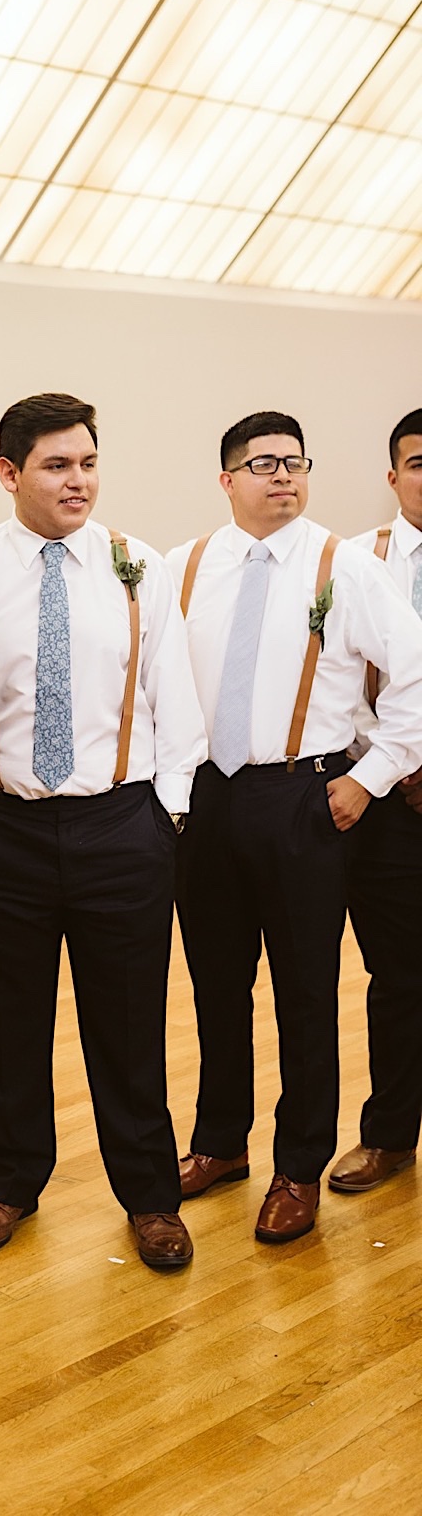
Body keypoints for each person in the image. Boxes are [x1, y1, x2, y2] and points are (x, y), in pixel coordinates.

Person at [0, 393, 206, 1271]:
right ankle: (11, 1181)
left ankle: (150, 1198)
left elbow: (178, 696)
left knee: (129, 1025)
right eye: (58, 465)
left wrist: (165, 813)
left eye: (89, 463)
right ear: (9, 473)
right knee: (6, 1018)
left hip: (120, 829)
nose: (79, 481)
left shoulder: (140, 564)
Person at [169, 412, 422, 1244]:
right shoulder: (186, 566)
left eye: (294, 463)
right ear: (227, 479)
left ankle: (298, 1165)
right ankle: (219, 1144)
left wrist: (366, 779)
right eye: (262, 463)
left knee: (305, 994)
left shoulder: (344, 566)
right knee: (216, 987)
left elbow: (418, 682)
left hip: (306, 801)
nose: (282, 476)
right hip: (208, 803)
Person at [331, 408, 422, 1195]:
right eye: (421, 461)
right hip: (392, 802)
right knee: (399, 975)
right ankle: (391, 1135)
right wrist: (395, 767)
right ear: (393, 475)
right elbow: (337, 686)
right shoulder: (355, 561)